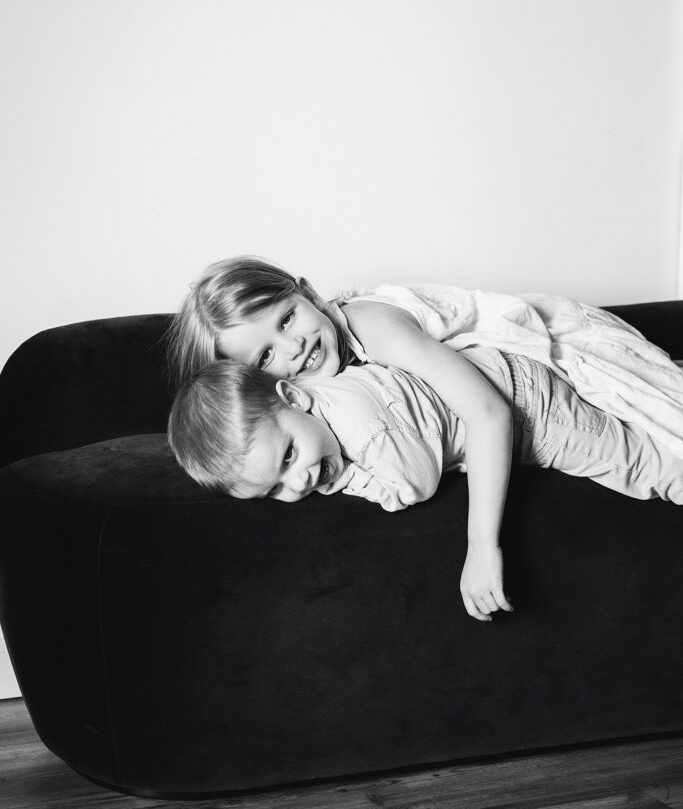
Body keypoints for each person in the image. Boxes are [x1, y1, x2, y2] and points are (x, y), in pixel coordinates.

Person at [167, 256, 683, 622]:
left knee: (647, 451)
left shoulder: (372, 327)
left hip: (522, 382)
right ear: (263, 382)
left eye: (288, 318)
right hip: (490, 390)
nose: (295, 347)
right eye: (264, 355)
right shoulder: (301, 401)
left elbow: (486, 412)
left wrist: (482, 546)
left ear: (309, 294)